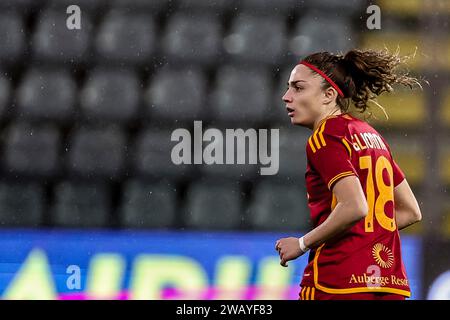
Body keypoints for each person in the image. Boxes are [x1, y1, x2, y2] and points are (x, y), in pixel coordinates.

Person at [275, 49, 423, 300]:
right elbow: (411, 211)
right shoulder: (371, 136)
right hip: (388, 283)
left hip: (339, 281)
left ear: (328, 95)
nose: (286, 97)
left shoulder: (325, 137)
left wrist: (301, 244)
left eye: (298, 88)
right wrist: (365, 239)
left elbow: (354, 206)